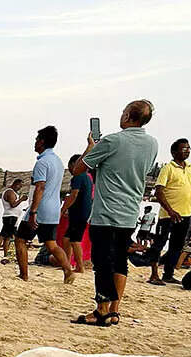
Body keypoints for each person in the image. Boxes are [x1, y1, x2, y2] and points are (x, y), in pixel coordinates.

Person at [70, 99, 158, 326]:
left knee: (102, 261)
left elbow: (78, 169)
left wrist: (91, 146)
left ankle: (101, 310)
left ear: (129, 115)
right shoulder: (152, 143)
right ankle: (115, 310)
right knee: (120, 259)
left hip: (107, 211)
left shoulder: (112, 141)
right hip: (129, 211)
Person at [15, 126, 76, 283]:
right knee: (52, 244)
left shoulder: (42, 163)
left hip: (41, 208)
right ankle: (68, 270)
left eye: (36, 140)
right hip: (54, 208)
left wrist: (33, 212)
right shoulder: (57, 161)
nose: (35, 143)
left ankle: (24, 274)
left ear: (41, 142)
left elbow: (40, 187)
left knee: (20, 239)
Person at [147, 138, 191, 285]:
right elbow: (159, 191)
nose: (187, 151)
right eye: (183, 148)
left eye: (188, 148)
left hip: (186, 214)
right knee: (159, 243)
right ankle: (154, 274)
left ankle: (168, 274)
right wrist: (170, 210)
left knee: (177, 245)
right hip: (168, 215)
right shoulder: (168, 168)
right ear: (174, 152)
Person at [59, 155, 93, 273]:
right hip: (80, 212)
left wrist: (63, 209)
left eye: (70, 165)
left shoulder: (78, 176)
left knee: (75, 240)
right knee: (66, 239)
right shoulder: (87, 177)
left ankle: (80, 266)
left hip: (79, 213)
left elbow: (73, 195)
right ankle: (67, 263)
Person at [0, 179, 25, 257]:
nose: (20, 188)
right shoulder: (10, 192)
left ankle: (4, 253)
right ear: (15, 184)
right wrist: (21, 199)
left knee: (6, 236)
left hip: (11, 216)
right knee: (4, 236)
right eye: (19, 186)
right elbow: (13, 205)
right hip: (10, 216)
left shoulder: (10, 192)